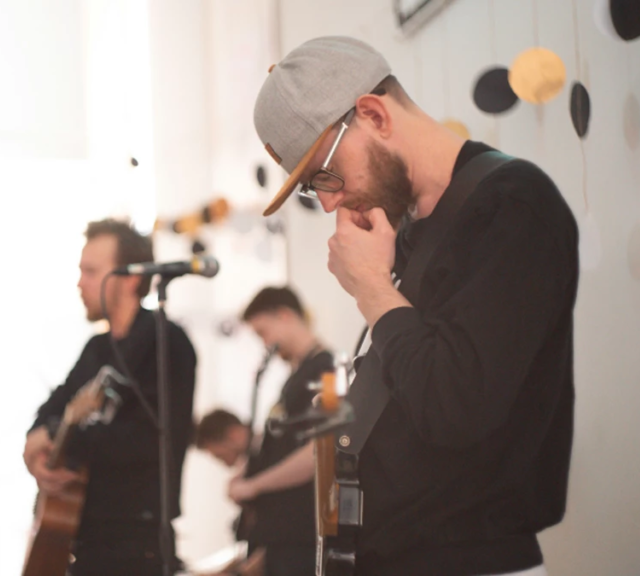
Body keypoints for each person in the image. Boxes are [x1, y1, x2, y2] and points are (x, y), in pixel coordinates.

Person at [247, 37, 579, 576]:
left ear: (374, 114)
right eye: (313, 189)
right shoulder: (407, 230)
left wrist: (373, 289)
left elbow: (454, 405)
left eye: (324, 176)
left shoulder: (512, 205)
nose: (328, 201)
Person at [22, 219, 197, 576]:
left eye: (90, 271)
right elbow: (50, 410)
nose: (80, 283)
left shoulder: (166, 342)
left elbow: (142, 440)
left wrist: (56, 434)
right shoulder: (96, 348)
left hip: (137, 542)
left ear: (131, 277)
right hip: (86, 540)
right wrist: (37, 444)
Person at [196, 286, 334, 576]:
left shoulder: (330, 370)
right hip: (283, 538)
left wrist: (255, 484)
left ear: (284, 316)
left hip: (302, 539)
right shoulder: (295, 378)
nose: (265, 343)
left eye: (263, 332)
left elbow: (320, 452)